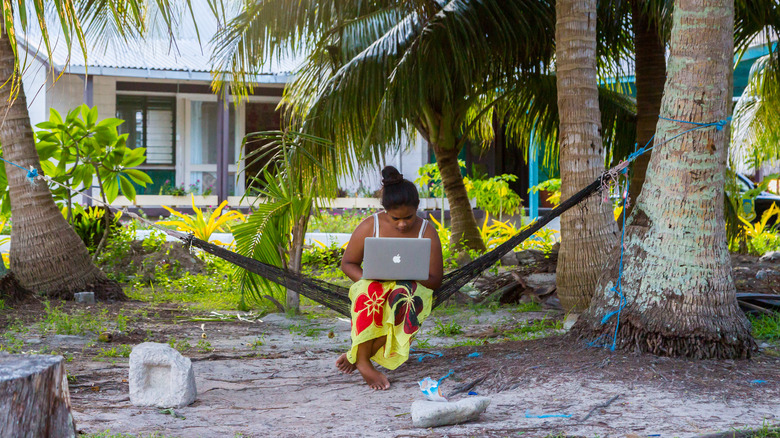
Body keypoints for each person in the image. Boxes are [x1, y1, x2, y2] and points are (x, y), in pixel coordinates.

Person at [335, 166, 444, 390]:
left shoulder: (427, 231)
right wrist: (370, 280)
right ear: (385, 211)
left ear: (417, 209)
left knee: (403, 296)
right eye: (395, 218)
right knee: (371, 292)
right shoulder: (370, 226)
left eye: (408, 217)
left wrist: (405, 277)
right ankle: (364, 362)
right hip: (373, 284)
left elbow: (435, 280)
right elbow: (347, 263)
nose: (402, 224)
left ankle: (358, 356)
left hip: (414, 287)